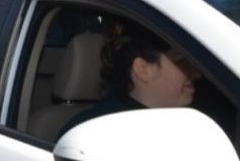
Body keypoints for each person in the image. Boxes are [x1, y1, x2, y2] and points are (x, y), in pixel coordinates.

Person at [59, 18, 201, 138]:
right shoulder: (93, 132)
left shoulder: (193, 124)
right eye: (182, 61)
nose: (197, 74)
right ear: (143, 69)